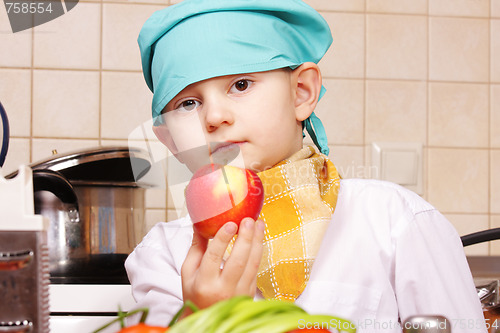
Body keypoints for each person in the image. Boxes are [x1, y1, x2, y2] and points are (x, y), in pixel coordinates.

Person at [125, 0, 487, 332]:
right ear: (170, 141)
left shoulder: (396, 221)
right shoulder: (163, 256)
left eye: (240, 84)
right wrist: (200, 317)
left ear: (301, 93)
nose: (215, 116)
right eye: (188, 103)